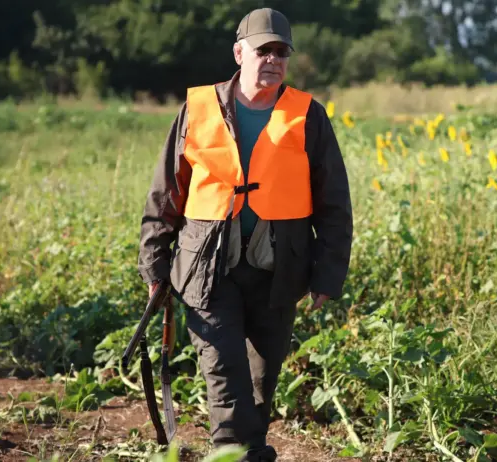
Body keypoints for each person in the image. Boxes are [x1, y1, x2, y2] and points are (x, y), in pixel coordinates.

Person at [136, 7, 353, 461]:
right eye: (263, 50)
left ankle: (248, 449)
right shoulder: (196, 109)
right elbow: (165, 193)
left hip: (280, 267)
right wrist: (155, 266)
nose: (272, 60)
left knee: (262, 377)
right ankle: (238, 454)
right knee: (224, 371)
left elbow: (334, 203)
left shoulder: (308, 115)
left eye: (281, 52)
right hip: (205, 265)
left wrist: (327, 276)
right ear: (240, 52)